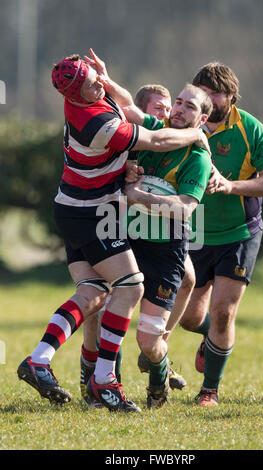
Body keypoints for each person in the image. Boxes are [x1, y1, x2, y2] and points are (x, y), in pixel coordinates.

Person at [16, 49, 210, 413]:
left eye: (96, 79)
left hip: (73, 208)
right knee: (130, 287)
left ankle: (39, 360)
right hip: (90, 215)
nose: (98, 88)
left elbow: (127, 106)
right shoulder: (97, 124)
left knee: (92, 294)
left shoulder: (88, 93)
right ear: (75, 94)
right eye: (92, 85)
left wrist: (104, 79)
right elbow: (155, 141)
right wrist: (197, 137)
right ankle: (104, 380)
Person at [179, 62, 263, 407]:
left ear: (230, 96)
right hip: (194, 233)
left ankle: (209, 390)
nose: (208, 99)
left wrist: (230, 186)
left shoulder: (249, 128)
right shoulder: (183, 123)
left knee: (224, 312)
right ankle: (212, 340)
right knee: (188, 317)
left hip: (239, 233)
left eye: (215, 94)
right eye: (203, 92)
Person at [80, 83, 189, 404]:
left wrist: (200, 140)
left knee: (184, 285)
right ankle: (98, 377)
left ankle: (158, 363)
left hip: (164, 243)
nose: (166, 113)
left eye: (171, 107)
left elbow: (184, 208)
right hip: (118, 232)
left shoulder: (181, 142)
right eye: (160, 108)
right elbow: (127, 108)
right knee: (99, 308)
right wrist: (126, 171)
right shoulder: (132, 137)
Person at [121, 83, 213, 408]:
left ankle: (159, 377)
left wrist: (138, 196)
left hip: (164, 252)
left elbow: (184, 207)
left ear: (201, 120)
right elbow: (127, 108)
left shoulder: (198, 158)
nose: (179, 109)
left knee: (148, 341)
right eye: (179, 102)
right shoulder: (154, 132)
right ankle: (102, 388)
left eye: (190, 107)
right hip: (129, 243)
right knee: (107, 311)